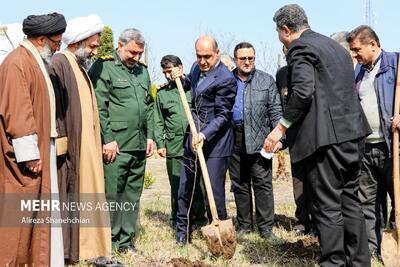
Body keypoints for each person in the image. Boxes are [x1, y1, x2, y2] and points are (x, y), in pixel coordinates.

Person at [264, 4, 371, 266]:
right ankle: (359, 262)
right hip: (353, 136)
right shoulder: (336, 47)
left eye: (279, 33)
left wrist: (280, 129)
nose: (281, 39)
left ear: (286, 30)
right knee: (350, 202)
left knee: (327, 207)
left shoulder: (300, 47)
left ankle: (333, 262)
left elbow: (302, 92)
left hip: (326, 142)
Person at [0, 13, 66, 267]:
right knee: (19, 217)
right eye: (56, 43)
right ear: (41, 39)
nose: (58, 48)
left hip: (39, 150)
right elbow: (17, 110)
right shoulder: (17, 63)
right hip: (25, 156)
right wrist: (30, 154)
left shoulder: (33, 60)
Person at [50, 14, 111, 263]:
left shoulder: (78, 65)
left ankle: (91, 249)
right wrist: (62, 144)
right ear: (77, 42)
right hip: (71, 149)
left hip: (86, 147)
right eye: (93, 46)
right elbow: (55, 109)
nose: (96, 51)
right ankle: (73, 252)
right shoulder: (60, 63)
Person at [89, 28, 155, 255]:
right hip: (115, 146)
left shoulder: (143, 72)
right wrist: (107, 140)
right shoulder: (104, 66)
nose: (136, 58)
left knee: (131, 195)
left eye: (140, 54)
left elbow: (149, 106)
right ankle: (107, 240)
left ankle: (125, 242)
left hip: (138, 144)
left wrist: (150, 136)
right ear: (119, 45)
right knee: (112, 194)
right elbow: (100, 107)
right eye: (132, 53)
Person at [170, 35, 237, 245]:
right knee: (185, 186)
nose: (203, 61)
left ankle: (219, 233)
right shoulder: (197, 67)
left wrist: (204, 134)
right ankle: (182, 232)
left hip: (216, 141)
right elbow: (190, 83)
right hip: (193, 135)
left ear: (217, 54)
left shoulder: (226, 79)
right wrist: (179, 77)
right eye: (199, 56)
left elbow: (223, 115)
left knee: (214, 192)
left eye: (207, 56)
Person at [347, 25, 398, 256]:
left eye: (357, 49)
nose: (354, 54)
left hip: (393, 148)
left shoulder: (396, 64)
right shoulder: (358, 71)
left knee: (398, 200)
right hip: (366, 149)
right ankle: (372, 248)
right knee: (368, 202)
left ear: (373, 45)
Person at [228, 41, 282, 239]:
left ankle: (266, 228)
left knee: (263, 184)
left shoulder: (266, 81)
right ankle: (244, 225)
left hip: (261, 139)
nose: (247, 61)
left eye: (251, 58)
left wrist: (278, 137)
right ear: (236, 59)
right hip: (233, 138)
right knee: (240, 183)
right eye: (243, 58)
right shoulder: (227, 80)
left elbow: (276, 110)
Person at [154, 55, 207, 230]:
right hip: (174, 147)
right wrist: (161, 144)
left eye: (170, 71)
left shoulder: (195, 88)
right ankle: (178, 221)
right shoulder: (162, 94)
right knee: (178, 187)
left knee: (198, 186)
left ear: (180, 68)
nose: (168, 75)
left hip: (195, 144)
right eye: (165, 73)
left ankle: (201, 221)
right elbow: (158, 120)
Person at [275, 45, 314, 236]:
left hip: (313, 134)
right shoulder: (282, 74)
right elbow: (281, 107)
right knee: (298, 181)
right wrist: (282, 138)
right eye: (287, 50)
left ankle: (317, 222)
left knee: (315, 180)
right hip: (292, 134)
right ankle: (302, 221)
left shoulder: (311, 70)